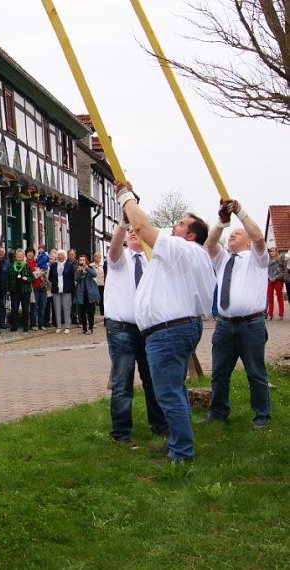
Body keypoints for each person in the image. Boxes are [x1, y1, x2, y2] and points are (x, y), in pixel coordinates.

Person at [116, 181, 214, 463]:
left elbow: (144, 228)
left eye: (182, 224)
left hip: (169, 331)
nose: (175, 226)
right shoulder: (186, 254)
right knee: (174, 391)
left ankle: (181, 454)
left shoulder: (183, 249)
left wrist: (126, 197)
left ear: (191, 235)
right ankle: (178, 442)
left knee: (168, 393)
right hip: (175, 329)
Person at [203, 200, 271, 428]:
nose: (232, 236)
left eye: (237, 234)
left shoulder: (257, 259)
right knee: (219, 373)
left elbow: (259, 237)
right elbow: (210, 242)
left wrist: (240, 213)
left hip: (251, 324)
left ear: (248, 241)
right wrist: (222, 222)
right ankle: (218, 412)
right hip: (224, 325)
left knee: (255, 372)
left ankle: (261, 415)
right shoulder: (223, 258)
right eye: (230, 234)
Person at [104, 226, 167, 444]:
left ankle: (160, 425)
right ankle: (121, 432)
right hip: (122, 328)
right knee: (123, 382)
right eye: (129, 231)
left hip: (150, 329)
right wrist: (122, 225)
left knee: (153, 379)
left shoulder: (154, 262)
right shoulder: (119, 260)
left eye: (137, 230)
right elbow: (114, 249)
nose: (133, 233)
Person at [49, 250, 74, 333]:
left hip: (66, 289)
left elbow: (72, 277)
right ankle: (59, 326)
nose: (60, 257)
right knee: (57, 307)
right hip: (56, 289)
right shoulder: (53, 266)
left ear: (65, 256)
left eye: (61, 255)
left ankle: (67, 326)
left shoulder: (69, 265)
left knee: (66, 307)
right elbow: (50, 277)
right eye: (58, 255)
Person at [73, 254, 100, 334]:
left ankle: (90, 328)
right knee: (82, 312)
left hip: (90, 293)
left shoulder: (90, 267)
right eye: (80, 260)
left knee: (90, 312)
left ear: (86, 261)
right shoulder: (78, 269)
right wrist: (80, 270)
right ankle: (84, 328)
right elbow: (76, 279)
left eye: (83, 260)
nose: (82, 262)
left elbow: (94, 274)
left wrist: (87, 267)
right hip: (81, 293)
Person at [8, 248, 32, 332]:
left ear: (23, 257)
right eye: (18, 256)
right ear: (16, 257)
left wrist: (27, 279)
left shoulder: (27, 266)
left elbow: (32, 277)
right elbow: (9, 278)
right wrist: (9, 289)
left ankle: (26, 327)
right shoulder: (11, 266)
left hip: (25, 290)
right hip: (14, 290)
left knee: (25, 309)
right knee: (14, 308)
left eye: (21, 256)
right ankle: (14, 326)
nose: (19, 258)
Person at [26, 247, 47, 330]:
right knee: (34, 307)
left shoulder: (38, 262)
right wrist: (36, 274)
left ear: (34, 254)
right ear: (26, 254)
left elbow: (44, 270)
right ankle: (33, 324)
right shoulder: (25, 264)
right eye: (28, 253)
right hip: (33, 287)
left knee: (42, 306)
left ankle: (41, 324)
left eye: (31, 252)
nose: (30, 254)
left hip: (41, 286)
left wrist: (43, 273)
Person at [267, 245, 285, 320]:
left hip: (278, 281)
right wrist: (269, 277)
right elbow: (265, 270)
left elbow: (283, 271)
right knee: (270, 298)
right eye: (270, 251)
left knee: (279, 298)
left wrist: (275, 278)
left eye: (273, 251)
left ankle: (281, 315)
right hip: (270, 281)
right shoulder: (267, 260)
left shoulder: (280, 260)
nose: (272, 252)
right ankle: (270, 315)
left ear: (276, 252)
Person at [92, 252, 106, 316]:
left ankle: (102, 313)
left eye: (99, 257)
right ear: (94, 257)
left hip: (101, 284)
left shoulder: (102, 265)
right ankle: (93, 312)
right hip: (94, 284)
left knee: (102, 299)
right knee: (94, 299)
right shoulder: (91, 265)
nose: (98, 258)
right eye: (96, 257)